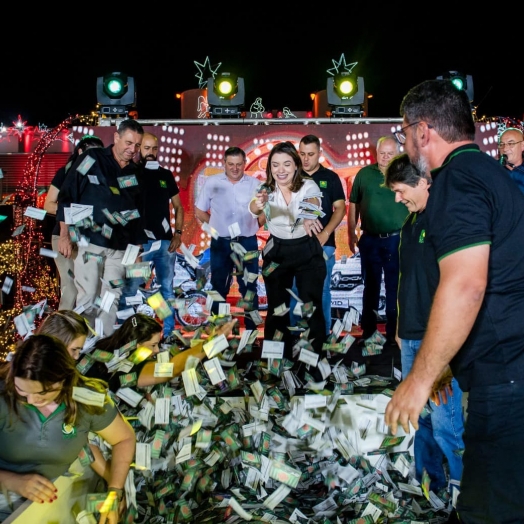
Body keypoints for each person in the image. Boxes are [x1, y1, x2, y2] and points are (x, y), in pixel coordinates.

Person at [384, 78, 524, 523]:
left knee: (489, 510)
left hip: (505, 378)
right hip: (506, 369)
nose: (405, 144)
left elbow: (466, 285)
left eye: (405, 132)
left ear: (423, 130)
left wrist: (419, 380)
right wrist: (444, 361)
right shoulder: (484, 172)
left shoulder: (457, 180)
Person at [384, 153, 464, 496]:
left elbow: (458, 288)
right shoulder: (409, 223)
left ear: (423, 182)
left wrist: (444, 355)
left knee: (447, 426)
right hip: (412, 336)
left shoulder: (445, 221)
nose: (397, 199)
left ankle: (465, 490)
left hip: (438, 342)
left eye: (401, 190)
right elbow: (407, 280)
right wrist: (401, 328)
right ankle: (431, 486)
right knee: (419, 420)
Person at [0, 334, 136, 523]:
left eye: (42, 393)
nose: (30, 401)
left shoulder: (86, 399)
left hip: (47, 507)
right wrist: (11, 481)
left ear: (63, 380)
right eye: (21, 390)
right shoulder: (3, 398)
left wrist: (115, 491)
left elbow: (124, 439)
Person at [56, 119, 144, 337]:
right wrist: (65, 235)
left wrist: (137, 251)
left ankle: (101, 348)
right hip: (89, 243)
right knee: (88, 298)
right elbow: (67, 196)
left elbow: (136, 215)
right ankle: (81, 348)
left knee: (110, 299)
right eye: (128, 143)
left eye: (137, 145)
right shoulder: (91, 159)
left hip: (120, 250)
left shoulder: (135, 172)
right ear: (116, 138)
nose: (132, 150)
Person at [249, 141, 326, 361]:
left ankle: (313, 362)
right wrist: (258, 202)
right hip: (277, 251)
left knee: (311, 306)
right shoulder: (265, 189)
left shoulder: (309, 185)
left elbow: (312, 202)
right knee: (276, 308)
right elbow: (253, 208)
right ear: (270, 168)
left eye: (286, 164)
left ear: (295, 166)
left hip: (306, 250)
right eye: (275, 165)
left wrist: (310, 216)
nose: (280, 170)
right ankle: (275, 362)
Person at [118, 132, 185, 339]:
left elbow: (178, 207)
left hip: (165, 243)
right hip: (140, 245)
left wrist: (178, 234)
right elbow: (122, 207)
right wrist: (132, 242)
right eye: (146, 148)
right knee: (131, 289)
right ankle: (126, 335)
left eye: (154, 149)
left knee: (166, 290)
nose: (151, 153)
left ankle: (167, 334)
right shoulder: (131, 173)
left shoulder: (165, 174)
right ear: (139, 149)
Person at [347, 135, 409, 345]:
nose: (385, 157)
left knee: (395, 288)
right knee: (370, 287)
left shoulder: (405, 174)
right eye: (382, 153)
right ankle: (369, 333)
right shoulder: (364, 174)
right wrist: (351, 233)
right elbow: (353, 204)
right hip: (370, 240)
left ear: (397, 154)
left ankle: (394, 335)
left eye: (390, 154)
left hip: (397, 240)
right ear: (376, 153)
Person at [195, 146, 262, 330]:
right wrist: (215, 228)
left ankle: (252, 331)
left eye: (239, 164)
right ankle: (219, 330)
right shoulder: (212, 182)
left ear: (244, 164)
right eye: (230, 164)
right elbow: (199, 210)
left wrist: (257, 225)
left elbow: (265, 212)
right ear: (223, 163)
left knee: (249, 288)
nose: (234, 168)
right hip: (221, 243)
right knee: (218, 287)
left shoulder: (255, 184)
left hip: (247, 241)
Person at [83, 313, 238, 392]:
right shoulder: (127, 366)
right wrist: (212, 342)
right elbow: (171, 369)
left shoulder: (106, 346)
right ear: (137, 345)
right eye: (153, 345)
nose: (157, 351)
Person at [290, 134, 346, 336]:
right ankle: (296, 334)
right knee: (295, 290)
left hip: (324, 243)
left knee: (322, 290)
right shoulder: (291, 176)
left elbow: (340, 209)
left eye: (311, 154)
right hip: (294, 245)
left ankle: (322, 334)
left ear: (319, 154)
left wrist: (326, 233)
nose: (306, 159)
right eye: (302, 154)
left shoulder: (330, 178)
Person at [43, 135, 104, 310]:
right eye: (92, 152)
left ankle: (88, 332)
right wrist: (75, 214)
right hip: (63, 236)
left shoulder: (100, 177)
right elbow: (49, 204)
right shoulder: (65, 173)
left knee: (91, 286)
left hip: (89, 239)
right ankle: (63, 333)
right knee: (70, 287)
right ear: (80, 152)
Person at [498, 127, 524, 194]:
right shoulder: (492, 169)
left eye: (511, 144)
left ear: (522, 145)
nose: (505, 149)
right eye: (501, 144)